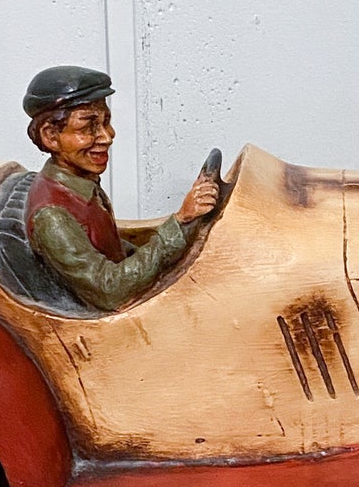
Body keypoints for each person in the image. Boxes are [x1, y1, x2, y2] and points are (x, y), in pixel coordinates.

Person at [22, 65, 219, 311]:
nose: (107, 136)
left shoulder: (82, 184)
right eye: (88, 127)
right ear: (51, 136)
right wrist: (180, 221)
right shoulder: (53, 217)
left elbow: (110, 247)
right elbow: (110, 291)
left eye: (106, 121)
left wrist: (181, 231)